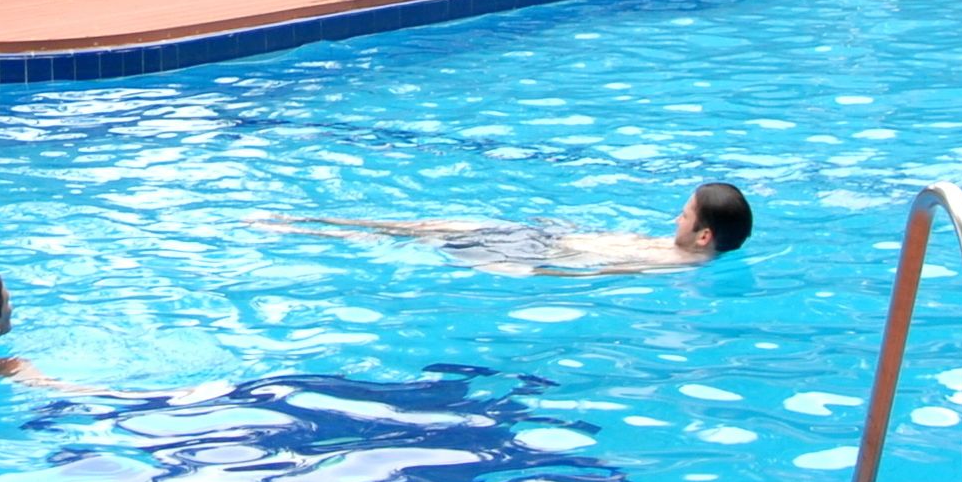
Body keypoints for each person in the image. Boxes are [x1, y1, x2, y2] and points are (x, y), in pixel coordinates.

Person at [316, 181, 754, 272]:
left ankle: (319, 231)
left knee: (433, 238)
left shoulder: (673, 265)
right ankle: (323, 222)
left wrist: (526, 268)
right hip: (541, 240)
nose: (674, 218)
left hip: (529, 253)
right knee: (433, 224)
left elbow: (597, 273)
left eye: (683, 214)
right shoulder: (675, 251)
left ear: (704, 235)